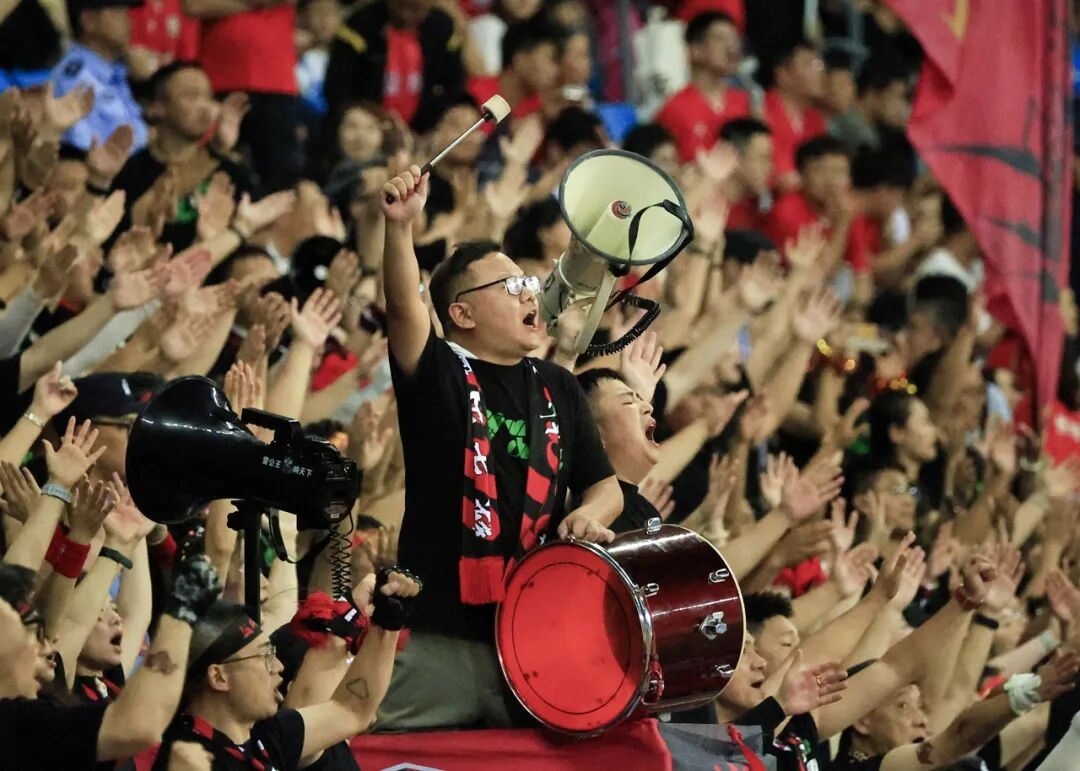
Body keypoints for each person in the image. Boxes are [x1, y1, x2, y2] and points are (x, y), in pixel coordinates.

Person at [376, 165, 621, 730]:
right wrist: (400, 227)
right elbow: (405, 307)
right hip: (435, 632)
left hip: (531, 640)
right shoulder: (437, 370)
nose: (529, 293)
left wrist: (591, 514)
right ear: (461, 314)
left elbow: (604, 487)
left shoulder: (558, 385)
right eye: (509, 288)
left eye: (528, 283)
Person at [152, 567, 420, 770]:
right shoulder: (186, 759)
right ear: (219, 677)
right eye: (265, 656)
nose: (278, 666)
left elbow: (353, 709)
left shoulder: (268, 735)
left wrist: (387, 622)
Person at [0, 556, 220, 769]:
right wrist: (183, 610)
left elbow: (135, 613)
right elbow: (139, 724)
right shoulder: (14, 725)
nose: (46, 648)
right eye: (33, 635)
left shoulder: (40, 710)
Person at [111, 61, 251, 251]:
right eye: (191, 97)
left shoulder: (228, 171)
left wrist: (222, 151)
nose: (205, 107)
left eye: (209, 97)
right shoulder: (131, 171)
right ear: (158, 107)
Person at [324, 0, 465, 134]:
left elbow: (454, 88)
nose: (410, 3)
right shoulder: (359, 26)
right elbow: (338, 92)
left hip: (427, 134)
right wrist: (376, 121)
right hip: (366, 132)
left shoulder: (443, 28)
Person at [50, 0, 149, 153]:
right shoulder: (77, 77)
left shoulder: (113, 68)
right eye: (118, 11)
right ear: (89, 20)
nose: (129, 20)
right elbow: (86, 148)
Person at [654, 11, 750, 164]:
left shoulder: (746, 102)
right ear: (695, 50)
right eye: (721, 39)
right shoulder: (674, 109)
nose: (732, 47)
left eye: (734, 39)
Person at [763, 39, 827, 192]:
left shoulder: (816, 120)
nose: (819, 72)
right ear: (783, 74)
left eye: (819, 65)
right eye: (809, 65)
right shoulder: (760, 109)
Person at [467, 20, 562, 118]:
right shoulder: (472, 93)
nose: (557, 70)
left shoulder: (541, 112)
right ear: (520, 59)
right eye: (551, 59)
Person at [718, 118, 773, 232]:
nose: (770, 167)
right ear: (735, 156)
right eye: (763, 158)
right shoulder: (701, 202)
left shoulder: (752, 209)